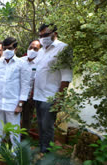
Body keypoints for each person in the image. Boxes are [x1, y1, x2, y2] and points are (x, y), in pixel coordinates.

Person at [33, 24, 73, 153]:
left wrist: (59, 99)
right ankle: (41, 149)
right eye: (40, 36)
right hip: (38, 96)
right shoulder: (41, 51)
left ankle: (46, 153)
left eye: (45, 35)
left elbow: (66, 76)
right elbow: (37, 72)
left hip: (50, 96)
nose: (42, 38)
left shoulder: (63, 49)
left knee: (47, 126)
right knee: (40, 125)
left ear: (54, 34)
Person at [0, 37, 31, 149]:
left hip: (13, 105)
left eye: (10, 48)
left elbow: (25, 85)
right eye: (5, 48)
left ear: (15, 49)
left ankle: (15, 154)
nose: (7, 51)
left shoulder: (21, 64)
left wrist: (20, 104)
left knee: (14, 131)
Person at [20, 40, 41, 130]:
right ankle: (8, 140)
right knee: (12, 119)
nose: (32, 50)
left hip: (30, 99)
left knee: (26, 121)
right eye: (30, 48)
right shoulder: (20, 61)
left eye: (35, 49)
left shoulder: (40, 64)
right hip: (17, 96)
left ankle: (23, 140)